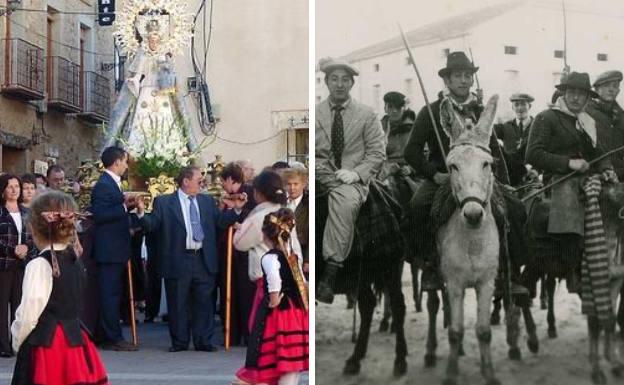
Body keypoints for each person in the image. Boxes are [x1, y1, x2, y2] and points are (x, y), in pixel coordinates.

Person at [403, 51, 527, 290]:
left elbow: (494, 150)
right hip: (444, 177)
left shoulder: (482, 111)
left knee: (515, 207)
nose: (463, 80)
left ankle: (509, 271)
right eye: (457, 76)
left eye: (467, 76)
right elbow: (412, 152)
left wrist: (502, 180)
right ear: (447, 81)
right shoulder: (430, 112)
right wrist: (433, 173)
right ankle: (430, 266)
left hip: (480, 180)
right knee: (417, 206)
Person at [137, 166, 246, 352]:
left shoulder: (206, 201)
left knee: (204, 301)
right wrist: (140, 214)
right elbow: (153, 225)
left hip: (203, 258)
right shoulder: (164, 202)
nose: (202, 183)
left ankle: (203, 340)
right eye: (199, 180)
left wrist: (235, 212)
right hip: (178, 258)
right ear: (186, 181)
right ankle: (179, 341)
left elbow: (219, 222)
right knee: (178, 301)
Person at [526, 72, 616, 288]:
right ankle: (571, 263)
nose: (576, 98)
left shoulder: (587, 121)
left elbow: (598, 153)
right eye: (572, 92)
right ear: (564, 93)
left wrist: (607, 169)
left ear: (587, 98)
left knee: (615, 199)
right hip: (557, 179)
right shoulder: (547, 117)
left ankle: (603, 258)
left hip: (587, 179)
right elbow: (533, 155)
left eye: (581, 94)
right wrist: (569, 163)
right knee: (568, 201)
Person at [10, 191, 108, 385]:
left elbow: (29, 314)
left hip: (48, 346)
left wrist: (17, 342)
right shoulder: (74, 260)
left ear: (34, 227)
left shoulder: (39, 264)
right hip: (75, 342)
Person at [315, 57, 386, 304]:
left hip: (351, 180)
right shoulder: (316, 113)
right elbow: (311, 151)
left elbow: (377, 152)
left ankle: (332, 272)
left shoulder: (366, 114)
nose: (339, 84)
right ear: (326, 82)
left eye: (345, 80)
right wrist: (317, 169)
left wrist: (357, 173)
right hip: (320, 173)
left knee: (344, 204)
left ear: (352, 84)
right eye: (334, 79)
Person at [232, 208, 308, 385]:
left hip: (280, 315)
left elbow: (274, 280)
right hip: (296, 313)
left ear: (265, 235)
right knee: (292, 364)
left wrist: (273, 300)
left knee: (276, 358)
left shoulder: (270, 258)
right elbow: (302, 283)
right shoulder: (292, 257)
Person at [234, 170, 303, 332]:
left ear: (258, 193)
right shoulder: (285, 212)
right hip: (291, 274)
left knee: (264, 328)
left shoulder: (260, 216)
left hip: (267, 281)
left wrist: (241, 228)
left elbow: (240, 243)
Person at [91, 146, 138, 351]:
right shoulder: (103, 185)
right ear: (117, 162)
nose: (127, 166)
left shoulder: (113, 184)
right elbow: (100, 215)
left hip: (116, 248)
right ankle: (112, 337)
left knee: (113, 293)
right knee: (109, 294)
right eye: (125, 161)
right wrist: (124, 207)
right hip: (109, 250)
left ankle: (106, 333)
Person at [217, 163, 256, 345]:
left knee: (245, 294)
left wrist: (239, 218)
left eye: (223, 181)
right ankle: (231, 334)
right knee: (228, 293)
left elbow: (254, 216)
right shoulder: (226, 198)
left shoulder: (249, 193)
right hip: (227, 254)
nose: (223, 185)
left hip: (243, 254)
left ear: (230, 179)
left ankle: (248, 334)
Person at [0, 175, 34, 358]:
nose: (14, 190)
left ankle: (17, 343)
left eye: (16, 186)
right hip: (4, 264)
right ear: (3, 190)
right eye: (10, 186)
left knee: (19, 306)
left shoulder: (26, 212)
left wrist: (26, 247)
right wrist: (12, 249)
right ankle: (3, 346)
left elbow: (32, 236)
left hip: (22, 264)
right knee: (2, 306)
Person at [586, 70, 624, 179]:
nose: (611, 89)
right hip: (594, 172)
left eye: (615, 86)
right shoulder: (587, 111)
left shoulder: (621, 115)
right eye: (606, 86)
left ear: (618, 91)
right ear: (597, 89)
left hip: (620, 173)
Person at [494, 93, 536, 185]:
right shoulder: (505, 127)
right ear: (512, 108)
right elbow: (487, 129)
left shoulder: (538, 127)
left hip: (532, 179)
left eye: (523, 104)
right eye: (516, 105)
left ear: (529, 106)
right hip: (509, 178)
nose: (520, 108)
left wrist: (536, 170)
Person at [282, 167, 309, 274]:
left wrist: (308, 260)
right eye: (288, 184)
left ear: (303, 184)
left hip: (302, 252)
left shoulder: (308, 204)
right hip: (284, 252)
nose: (292, 188)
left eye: (296, 184)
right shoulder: (282, 203)